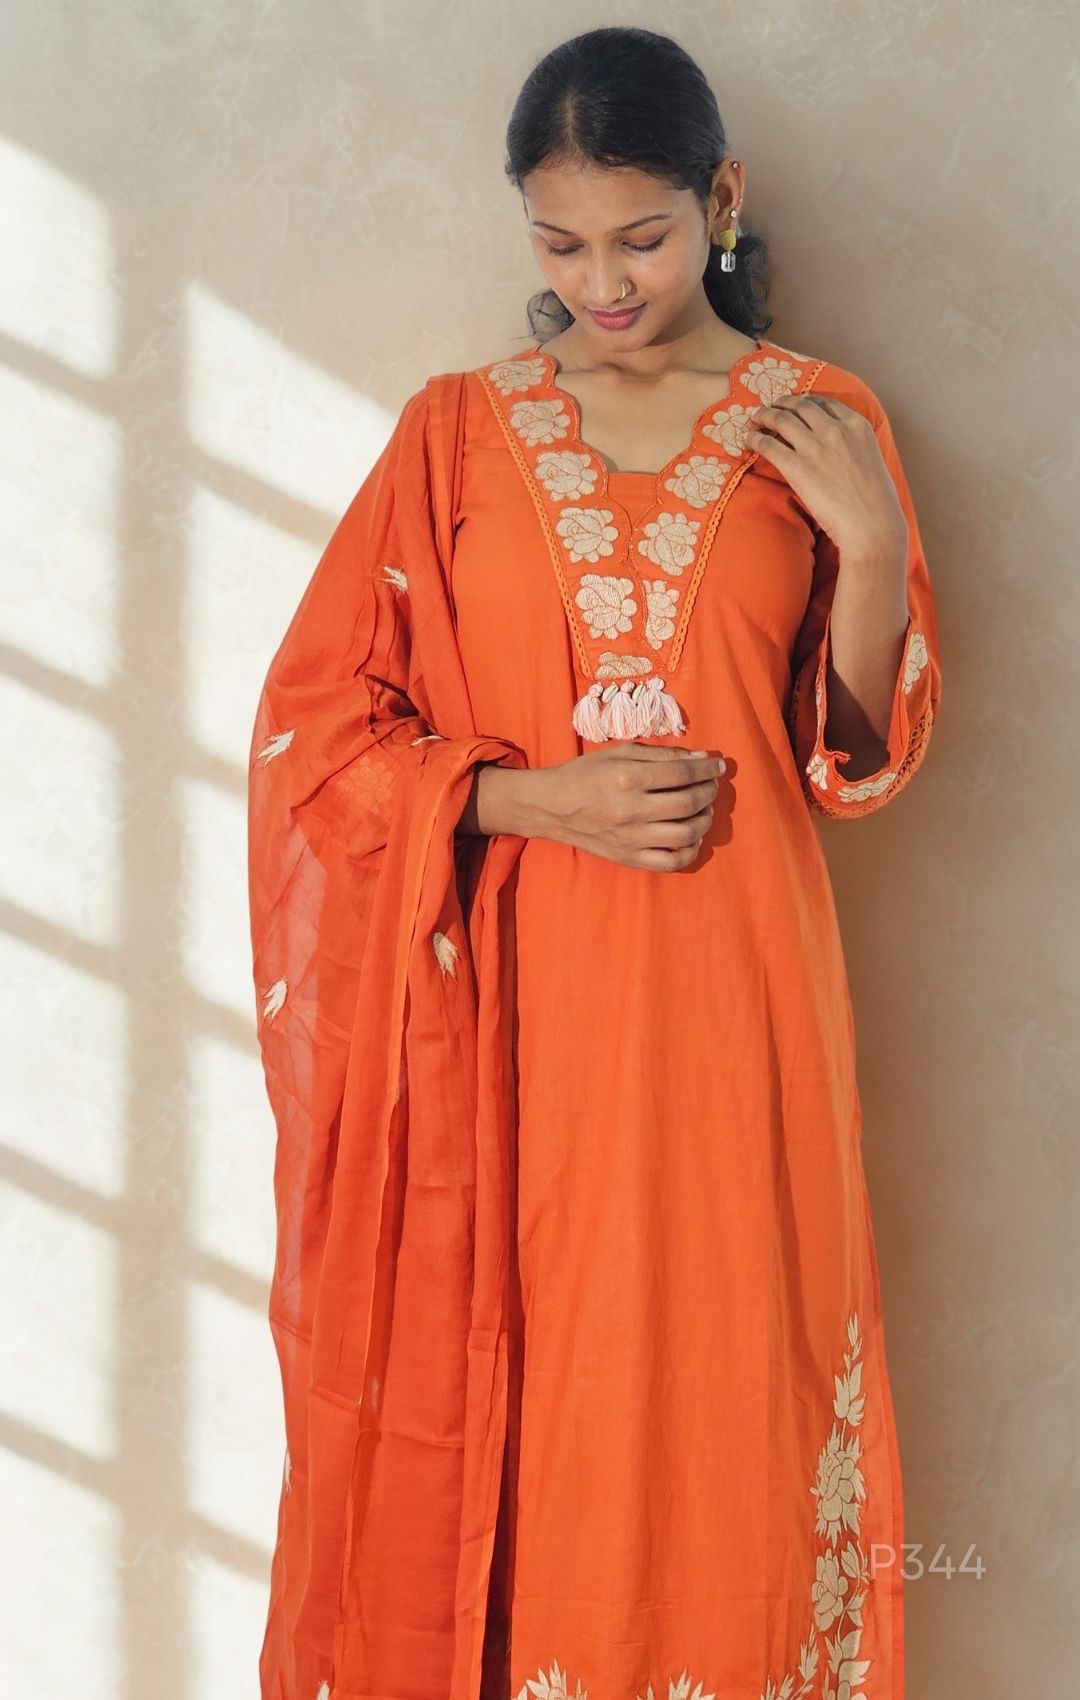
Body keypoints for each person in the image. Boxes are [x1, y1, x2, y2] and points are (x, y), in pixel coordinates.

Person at [247, 25, 942, 1700]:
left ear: (722, 198)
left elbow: (852, 754)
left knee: (718, 1381)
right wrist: (526, 802)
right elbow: (318, 735)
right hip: (508, 1018)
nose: (603, 281)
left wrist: (868, 549)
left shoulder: (823, 423)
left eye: (641, 235)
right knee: (532, 1376)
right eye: (559, 243)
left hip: (734, 1009)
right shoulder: (456, 438)